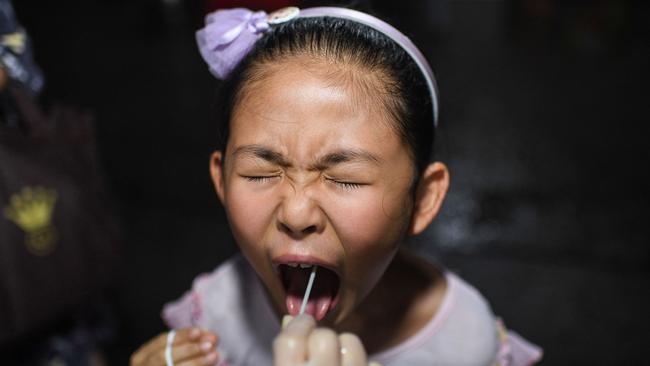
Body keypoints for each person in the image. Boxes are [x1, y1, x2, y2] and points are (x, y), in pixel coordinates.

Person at [131, 6, 543, 366]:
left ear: (422, 198)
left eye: (345, 178)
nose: (295, 213)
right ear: (220, 181)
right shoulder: (213, 322)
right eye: (259, 173)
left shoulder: (466, 345)